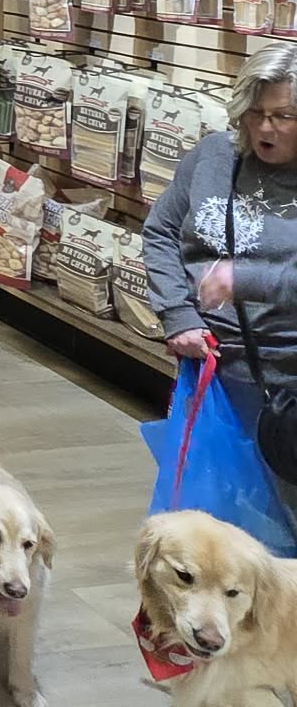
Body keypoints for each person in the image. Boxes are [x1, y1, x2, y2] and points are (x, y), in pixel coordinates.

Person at [144, 43, 297, 523]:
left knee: (284, 522)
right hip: (210, 375)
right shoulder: (213, 156)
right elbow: (162, 230)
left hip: (287, 379)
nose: (265, 128)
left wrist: (244, 278)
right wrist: (177, 315)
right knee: (213, 521)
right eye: (255, 113)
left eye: (283, 115)